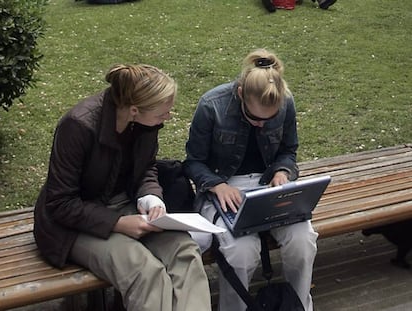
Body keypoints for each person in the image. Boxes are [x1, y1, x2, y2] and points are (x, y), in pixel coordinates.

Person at [33, 64, 212, 311]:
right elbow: (59, 203)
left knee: (185, 252)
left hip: (123, 204)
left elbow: (147, 167)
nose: (168, 118)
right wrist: (118, 223)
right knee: (143, 270)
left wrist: (151, 196)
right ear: (134, 110)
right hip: (70, 224)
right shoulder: (78, 126)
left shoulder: (146, 124)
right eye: (163, 113)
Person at [183, 49, 318, 311]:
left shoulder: (285, 101)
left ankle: (299, 306)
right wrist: (217, 185)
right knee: (240, 253)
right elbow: (193, 162)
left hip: (269, 187)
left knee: (303, 240)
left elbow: (288, 152)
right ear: (241, 93)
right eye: (254, 117)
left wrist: (282, 173)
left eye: (269, 119)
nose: (260, 125)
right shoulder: (212, 105)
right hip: (223, 189)